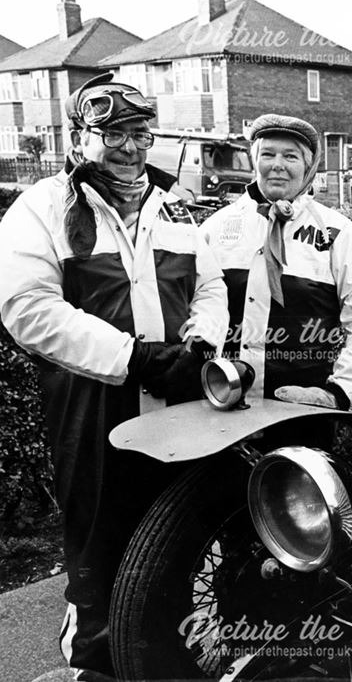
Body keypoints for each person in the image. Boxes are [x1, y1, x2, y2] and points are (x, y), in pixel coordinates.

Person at [0, 72, 227, 681]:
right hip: (93, 400)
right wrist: (134, 357)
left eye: (140, 133)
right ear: (80, 139)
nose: (130, 148)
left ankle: (169, 660)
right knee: (100, 550)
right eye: (113, 134)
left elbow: (209, 286)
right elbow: (27, 308)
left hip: (179, 396)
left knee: (178, 541)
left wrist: (202, 339)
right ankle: (95, 668)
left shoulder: (174, 202)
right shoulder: (42, 207)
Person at [202, 114, 352, 412]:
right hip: (222, 404)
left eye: (290, 156)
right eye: (267, 154)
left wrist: (339, 393)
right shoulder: (215, 229)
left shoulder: (339, 234)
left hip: (304, 411)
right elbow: (190, 309)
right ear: (254, 161)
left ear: (309, 166)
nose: (278, 164)